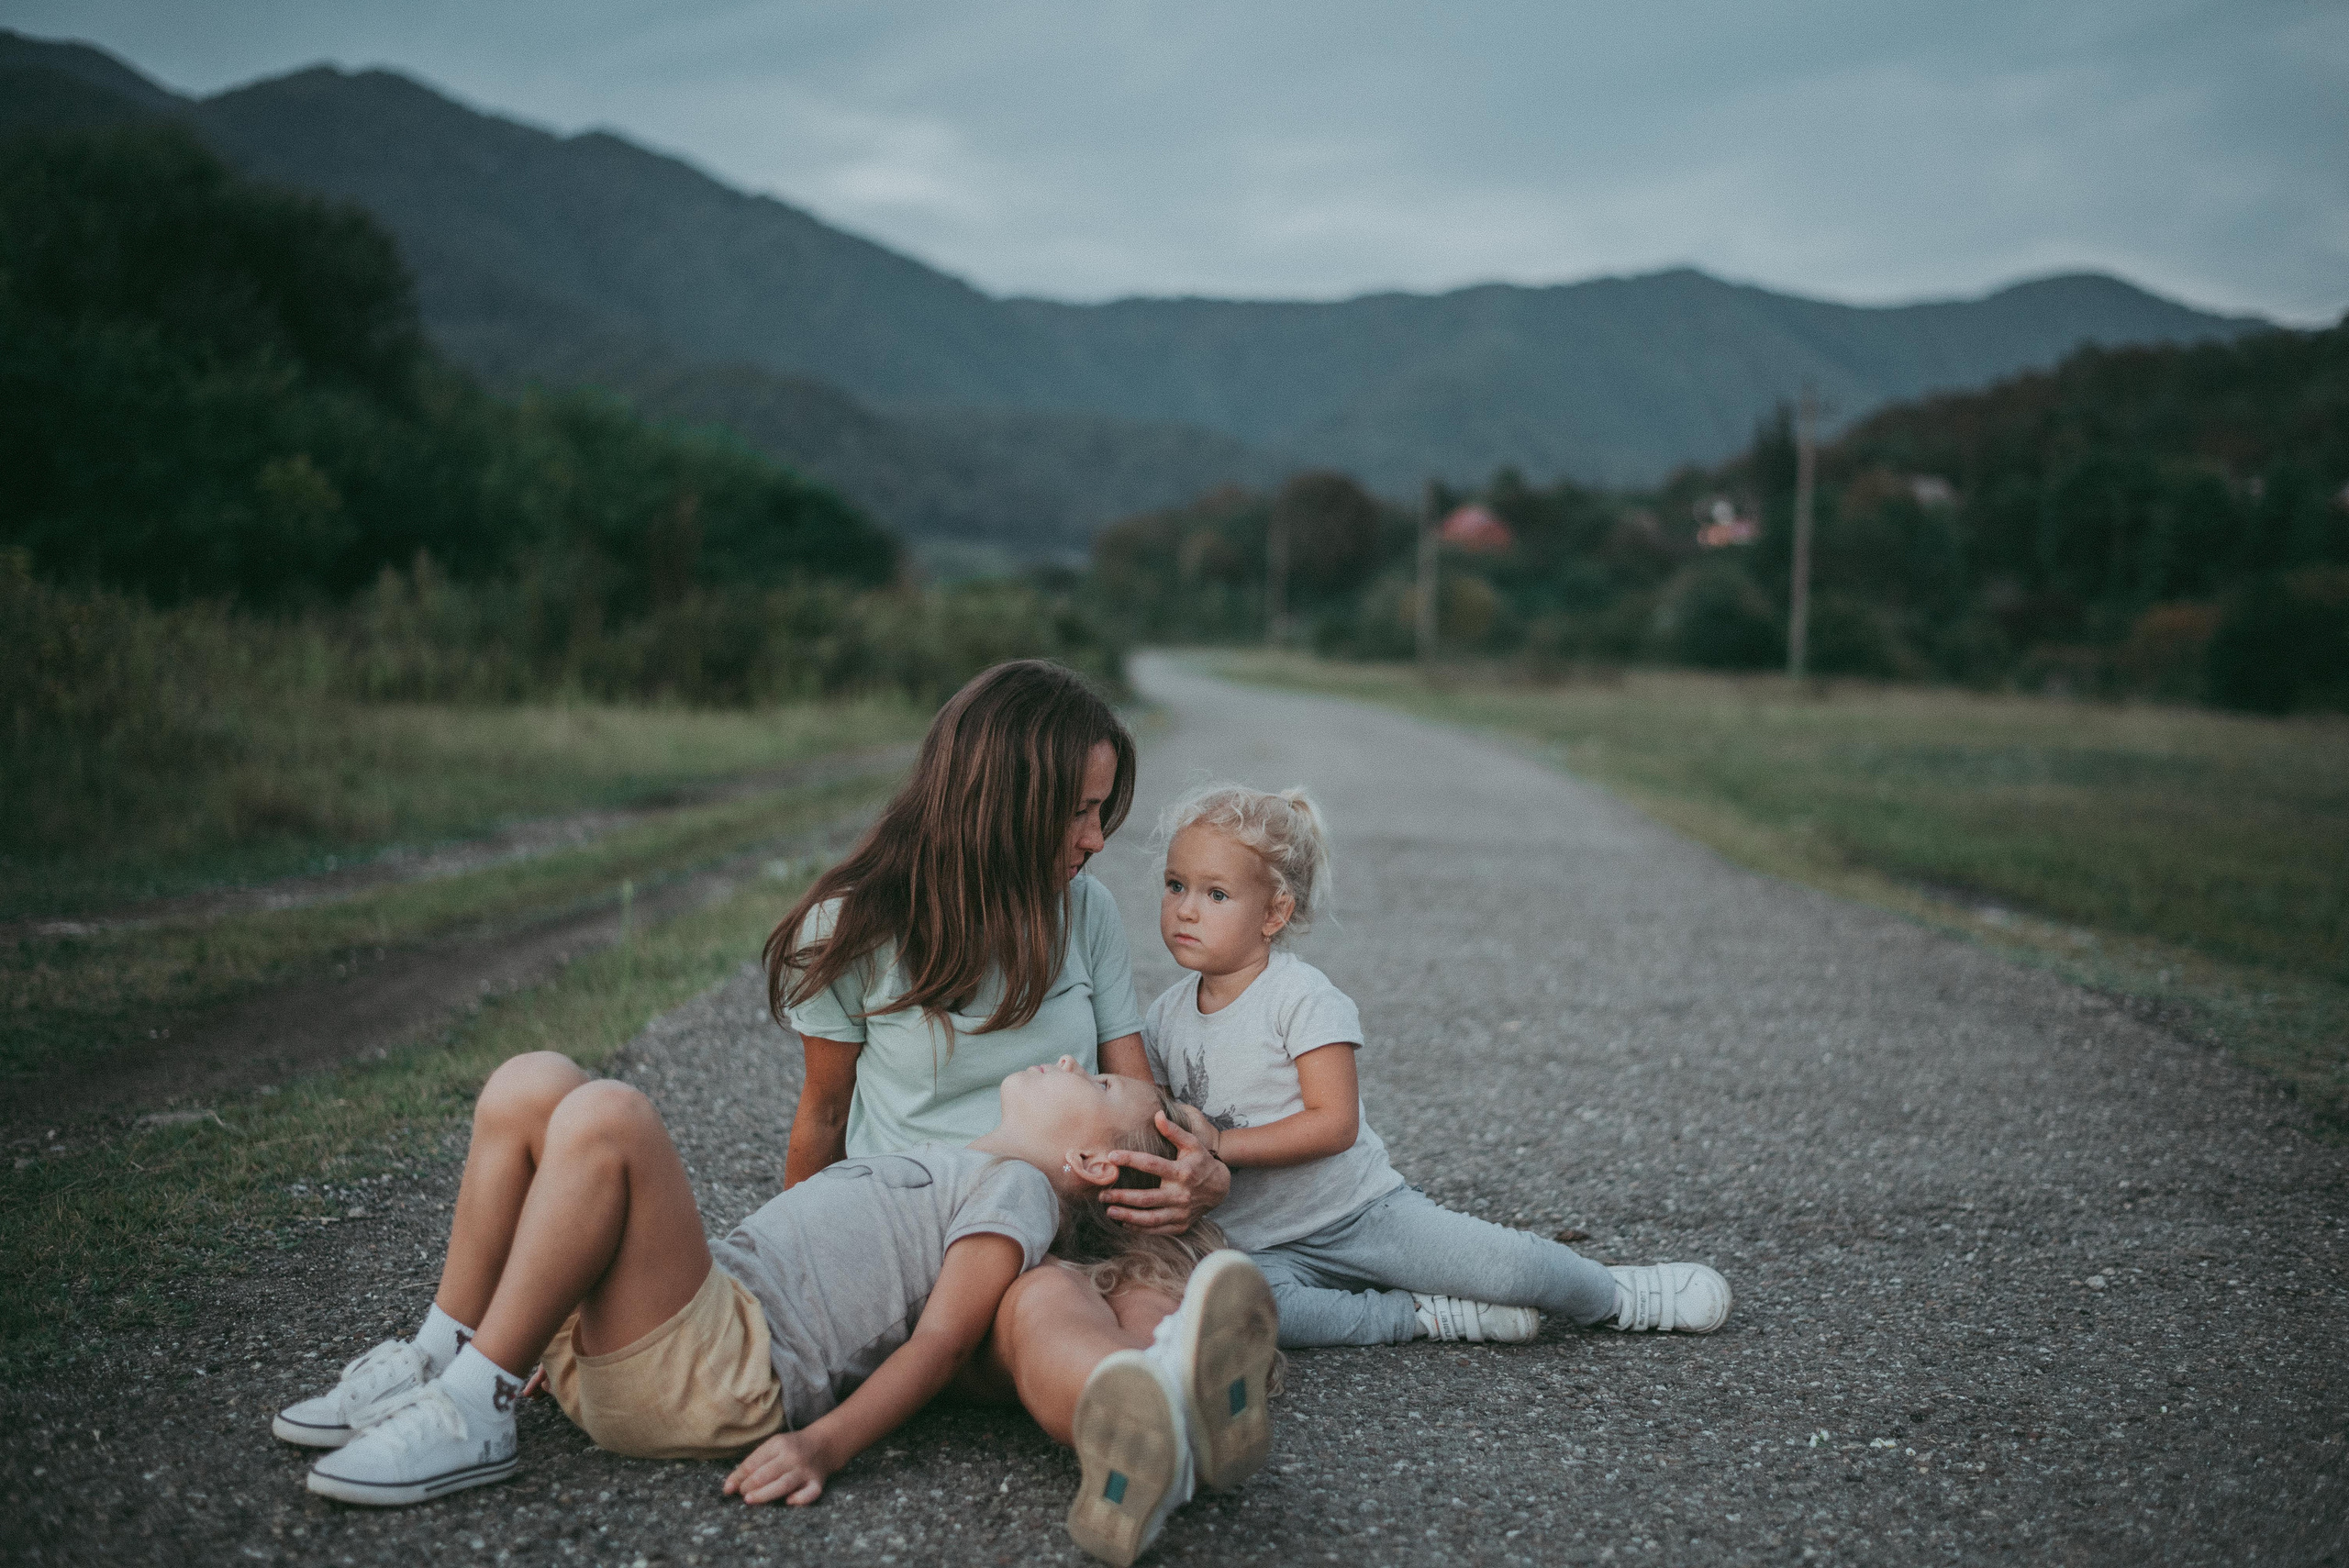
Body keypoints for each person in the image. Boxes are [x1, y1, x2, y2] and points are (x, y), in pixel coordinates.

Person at [272, 1049, 1277, 1568]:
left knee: (610, 1115)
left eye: (1095, 1078)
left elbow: (939, 1340)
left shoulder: (1013, 1195)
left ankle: (475, 1403)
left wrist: (826, 1445)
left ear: (1089, 1162)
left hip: (723, 1365)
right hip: (654, 1331)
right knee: (533, 1083)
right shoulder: (966, 1165)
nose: (1070, 1060)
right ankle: (447, 1346)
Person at [1141, 782, 1734, 1349]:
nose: (1186, 910)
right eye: (1175, 886)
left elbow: (1334, 1122)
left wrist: (1222, 1142)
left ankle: (1615, 1295)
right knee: (1241, 1313)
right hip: (1258, 1243)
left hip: (1360, 1215)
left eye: (1215, 894)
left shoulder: (1300, 998)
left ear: (1275, 913)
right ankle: (1420, 1314)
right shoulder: (1165, 1018)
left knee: (1509, 1267)